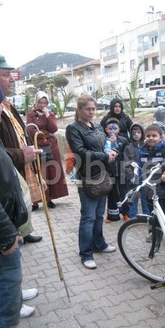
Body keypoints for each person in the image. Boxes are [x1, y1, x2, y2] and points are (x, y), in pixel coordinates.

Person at [0, 82, 34, 328]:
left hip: (4, 236)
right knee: (4, 318)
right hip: (1, 246)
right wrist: (9, 237)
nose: (2, 106)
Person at [0, 54, 42, 243]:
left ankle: (23, 231)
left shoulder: (6, 104)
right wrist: (21, 154)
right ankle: (14, 237)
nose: (11, 79)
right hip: (6, 174)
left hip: (19, 167)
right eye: (6, 74)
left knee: (23, 201)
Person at [65, 94, 116, 270]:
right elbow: (80, 152)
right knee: (88, 217)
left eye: (94, 108)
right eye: (88, 109)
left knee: (99, 214)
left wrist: (111, 151)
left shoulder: (96, 126)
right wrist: (104, 156)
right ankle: (86, 253)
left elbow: (104, 145)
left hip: (102, 175)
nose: (92, 112)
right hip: (87, 177)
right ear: (79, 110)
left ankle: (99, 244)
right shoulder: (73, 128)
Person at [26, 91, 69, 208]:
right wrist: (43, 134)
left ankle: (49, 199)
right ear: (36, 102)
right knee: (38, 172)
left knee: (51, 172)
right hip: (37, 146)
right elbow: (30, 130)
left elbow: (53, 128)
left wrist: (47, 115)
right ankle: (36, 200)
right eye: (40, 102)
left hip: (50, 146)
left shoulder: (50, 114)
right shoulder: (31, 115)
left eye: (45, 102)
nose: (42, 105)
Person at [138, 124, 165, 217]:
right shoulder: (141, 151)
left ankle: (162, 231)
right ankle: (153, 231)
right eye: (148, 136)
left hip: (162, 189)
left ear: (160, 137)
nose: (151, 138)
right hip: (148, 188)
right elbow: (140, 169)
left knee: (162, 214)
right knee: (152, 214)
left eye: (154, 135)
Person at [103, 117, 129, 222]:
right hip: (110, 171)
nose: (112, 131)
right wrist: (110, 143)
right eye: (110, 128)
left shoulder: (123, 140)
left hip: (121, 170)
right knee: (112, 193)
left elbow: (125, 154)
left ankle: (125, 213)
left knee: (123, 192)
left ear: (119, 130)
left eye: (115, 128)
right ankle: (112, 215)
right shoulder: (104, 140)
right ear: (106, 130)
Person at [123, 122, 150, 218]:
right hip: (134, 175)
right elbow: (126, 163)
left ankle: (147, 215)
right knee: (133, 195)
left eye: (139, 132)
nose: (137, 134)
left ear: (142, 133)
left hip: (145, 175)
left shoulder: (147, 146)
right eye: (134, 132)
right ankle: (133, 215)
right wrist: (130, 176)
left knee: (145, 196)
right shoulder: (128, 148)